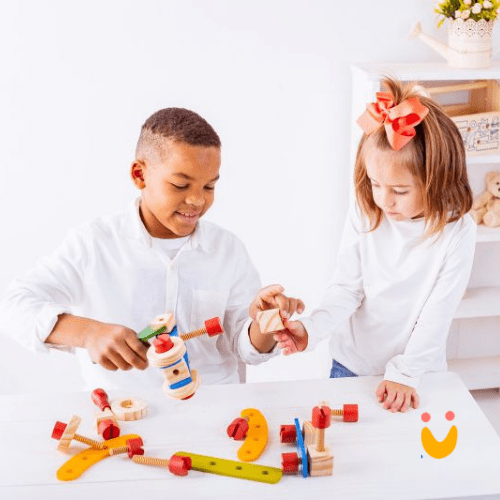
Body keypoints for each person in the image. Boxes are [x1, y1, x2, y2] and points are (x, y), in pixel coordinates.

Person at [0, 107, 303, 391]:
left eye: (209, 187)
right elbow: (15, 304)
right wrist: (89, 333)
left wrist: (265, 324)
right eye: (180, 185)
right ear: (139, 175)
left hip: (214, 411)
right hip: (124, 414)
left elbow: (245, 345)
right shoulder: (93, 243)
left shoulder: (228, 250)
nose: (197, 200)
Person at [276, 78, 476, 413]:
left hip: (417, 373)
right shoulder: (367, 209)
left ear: (438, 180)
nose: (384, 200)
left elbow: (436, 315)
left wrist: (406, 373)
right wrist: (311, 329)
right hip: (351, 366)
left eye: (400, 191)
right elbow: (347, 288)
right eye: (374, 183)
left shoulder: (457, 232)